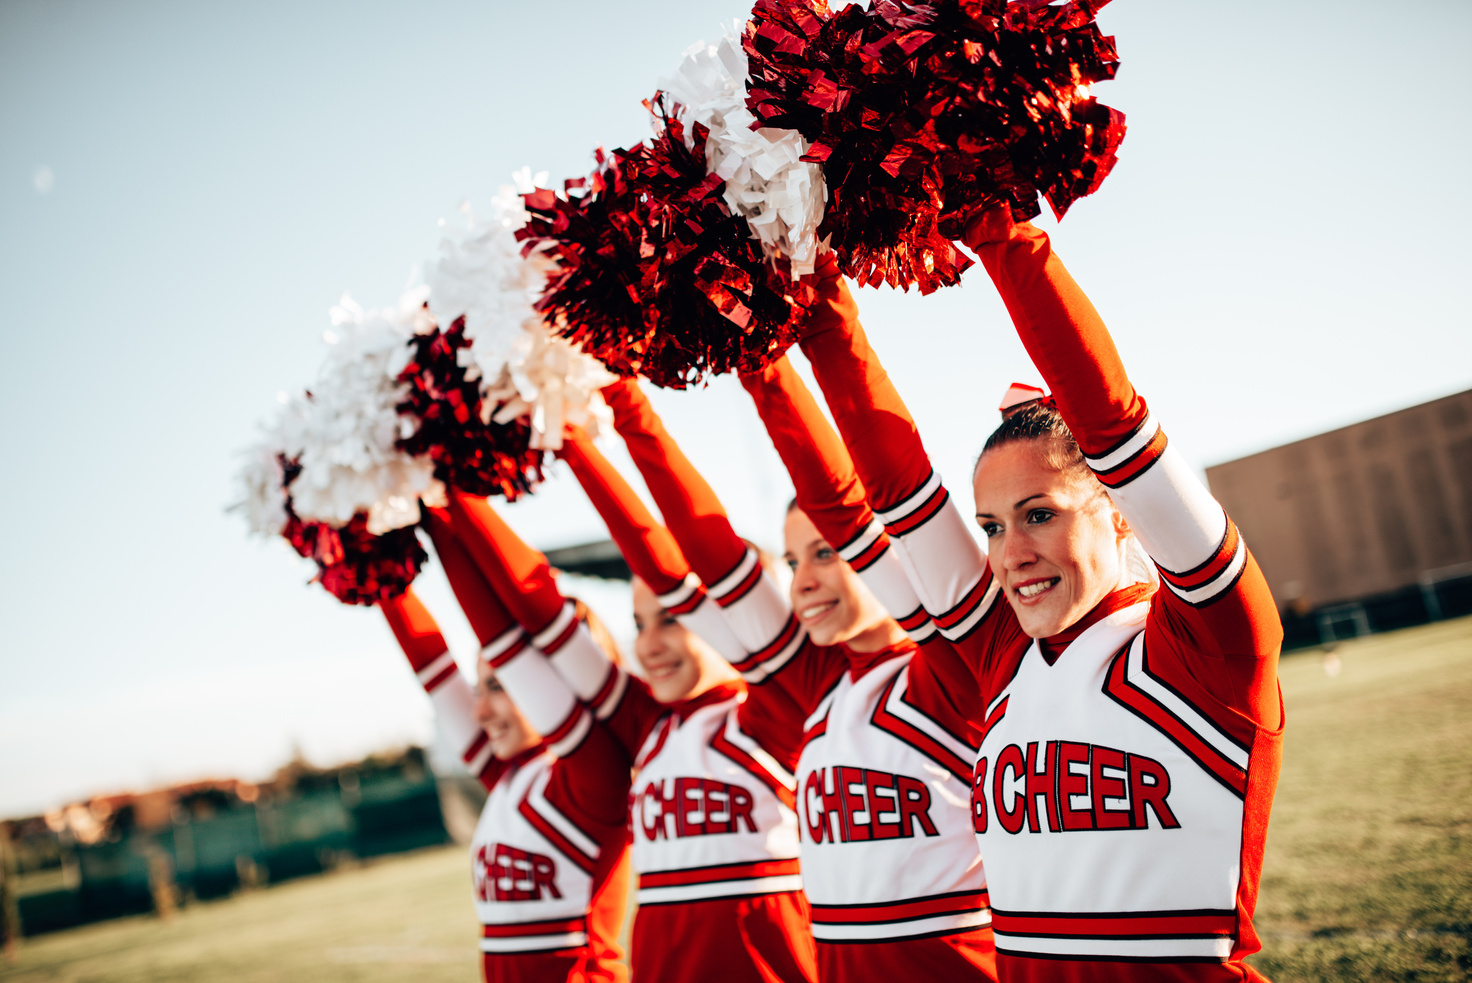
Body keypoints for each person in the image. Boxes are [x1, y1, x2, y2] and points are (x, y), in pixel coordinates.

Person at [790, 206, 1284, 981]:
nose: (1011, 553)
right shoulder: (999, 659)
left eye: (1040, 515)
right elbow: (884, 491)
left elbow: (1117, 425)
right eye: (990, 526)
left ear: (1121, 512)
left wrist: (998, 227)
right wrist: (808, 311)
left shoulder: (1210, 647)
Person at [601, 379, 998, 982]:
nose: (802, 583)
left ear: (879, 546)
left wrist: (766, 363)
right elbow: (685, 556)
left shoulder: (953, 668)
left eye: (826, 552)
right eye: (792, 562)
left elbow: (842, 498)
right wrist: (615, 404)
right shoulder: (813, 685)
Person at [439, 460, 818, 983]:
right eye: (639, 624)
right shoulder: (644, 725)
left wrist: (581, 442)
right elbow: (533, 616)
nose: (649, 644)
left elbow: (667, 564)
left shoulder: (780, 711)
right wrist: (443, 499)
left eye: (673, 619)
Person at [380, 557, 632, 983]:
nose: (479, 711)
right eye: (479, 689)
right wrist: (372, 567)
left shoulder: (591, 781)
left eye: (500, 686)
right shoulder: (505, 775)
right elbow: (431, 664)